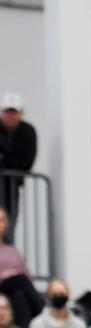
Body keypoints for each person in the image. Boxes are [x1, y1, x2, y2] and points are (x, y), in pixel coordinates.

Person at [0, 93, 36, 242]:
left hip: (11, 189)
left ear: (21, 113)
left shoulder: (27, 131)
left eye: (14, 112)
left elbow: (26, 163)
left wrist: (4, 159)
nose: (10, 116)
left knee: (8, 229)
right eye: (7, 112)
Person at [0, 210, 42, 328]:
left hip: (14, 291)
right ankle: (42, 311)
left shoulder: (13, 251)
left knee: (19, 294)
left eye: (1, 220)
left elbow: (26, 276)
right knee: (19, 280)